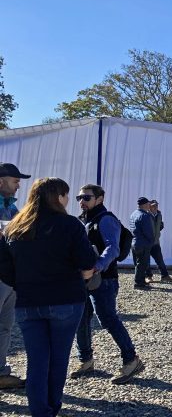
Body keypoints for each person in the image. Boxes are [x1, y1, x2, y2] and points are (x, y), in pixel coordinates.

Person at [0, 177, 97, 416]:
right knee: (58, 360)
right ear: (58, 197)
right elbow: (87, 265)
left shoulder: (13, 228)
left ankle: (39, 412)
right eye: (67, 195)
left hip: (28, 302)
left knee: (37, 361)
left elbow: (4, 270)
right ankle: (51, 408)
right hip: (66, 300)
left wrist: (23, 282)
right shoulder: (70, 225)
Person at [72, 184, 145, 384]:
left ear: (100, 199)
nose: (81, 201)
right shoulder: (83, 220)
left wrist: (96, 267)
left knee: (108, 320)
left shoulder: (106, 219)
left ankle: (131, 360)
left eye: (86, 197)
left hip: (104, 279)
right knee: (81, 318)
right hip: (84, 279)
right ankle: (86, 360)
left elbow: (112, 248)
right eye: (79, 197)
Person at [0, 163, 30, 390]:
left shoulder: (13, 209)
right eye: (15, 181)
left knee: (5, 326)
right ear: (1, 181)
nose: (19, 185)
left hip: (10, 277)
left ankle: (1, 373)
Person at [129, 197, 155, 289]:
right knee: (142, 264)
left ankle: (140, 280)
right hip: (143, 243)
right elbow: (148, 231)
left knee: (137, 263)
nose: (149, 205)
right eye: (148, 204)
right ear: (144, 205)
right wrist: (152, 241)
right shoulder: (145, 216)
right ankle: (139, 283)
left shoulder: (133, 214)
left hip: (134, 242)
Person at [144, 200, 172, 283]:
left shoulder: (159, 214)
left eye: (156, 205)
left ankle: (165, 276)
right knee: (146, 261)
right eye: (153, 205)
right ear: (149, 206)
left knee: (160, 260)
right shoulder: (145, 215)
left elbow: (159, 225)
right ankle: (148, 277)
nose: (155, 207)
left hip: (155, 242)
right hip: (146, 242)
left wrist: (160, 226)